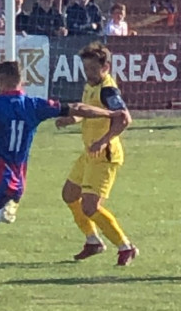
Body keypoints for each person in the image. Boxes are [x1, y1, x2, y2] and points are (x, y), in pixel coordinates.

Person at [0, 61, 128, 286]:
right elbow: (77, 107)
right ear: (21, 81)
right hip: (17, 184)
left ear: (0, 82)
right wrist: (110, 112)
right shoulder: (34, 105)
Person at [58, 43, 139, 266]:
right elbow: (88, 111)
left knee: (90, 207)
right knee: (69, 194)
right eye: (86, 69)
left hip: (105, 156)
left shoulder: (108, 90)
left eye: (93, 70)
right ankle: (93, 241)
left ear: (106, 67)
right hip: (89, 153)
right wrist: (71, 119)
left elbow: (124, 118)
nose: (89, 74)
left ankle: (126, 246)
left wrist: (103, 141)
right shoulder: (91, 86)